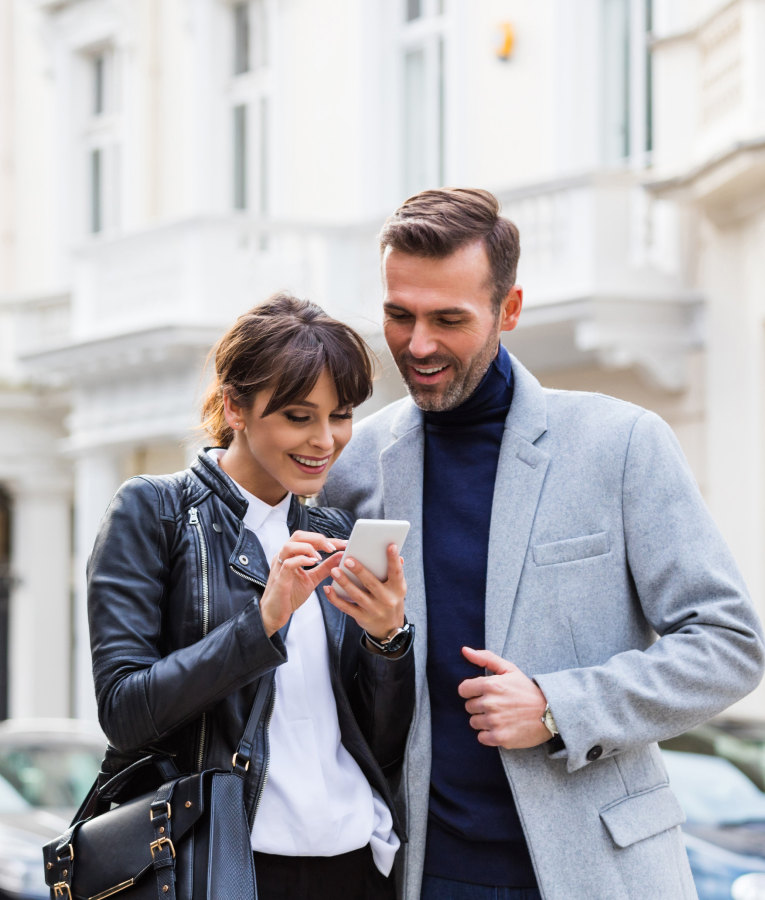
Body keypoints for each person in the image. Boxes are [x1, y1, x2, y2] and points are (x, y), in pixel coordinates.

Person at [319, 188, 765, 900]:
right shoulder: (352, 466)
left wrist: (561, 707)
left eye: (449, 319)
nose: (420, 344)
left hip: (601, 871)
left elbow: (729, 641)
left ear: (510, 309)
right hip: (422, 875)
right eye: (399, 316)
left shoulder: (621, 444)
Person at [86, 293, 416, 900]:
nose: (326, 440)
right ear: (236, 406)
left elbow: (384, 741)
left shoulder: (336, 534)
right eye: (299, 416)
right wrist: (264, 621)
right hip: (228, 864)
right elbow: (125, 711)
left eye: (340, 414)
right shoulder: (155, 512)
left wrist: (388, 640)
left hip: (355, 863)